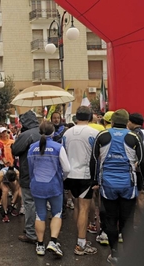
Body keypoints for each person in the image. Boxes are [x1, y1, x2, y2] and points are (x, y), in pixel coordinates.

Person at [90, 109, 144, 265]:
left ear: (112, 122)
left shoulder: (102, 135)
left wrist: (94, 181)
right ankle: (129, 255)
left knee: (111, 220)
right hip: (128, 184)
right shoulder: (133, 137)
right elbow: (142, 161)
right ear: (127, 122)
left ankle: (114, 254)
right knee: (127, 221)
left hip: (108, 185)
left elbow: (94, 160)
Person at [28, 121, 70, 257]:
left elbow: (30, 168)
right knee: (56, 213)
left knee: (40, 214)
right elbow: (67, 169)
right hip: (54, 185)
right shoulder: (58, 147)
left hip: (36, 185)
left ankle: (40, 245)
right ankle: (52, 241)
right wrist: (62, 178)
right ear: (53, 132)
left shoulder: (32, 148)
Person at [63, 106, 99, 256]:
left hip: (70, 174)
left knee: (77, 206)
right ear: (90, 117)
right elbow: (98, 156)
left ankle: (80, 238)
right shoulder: (94, 133)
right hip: (85, 174)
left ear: (76, 117)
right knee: (84, 208)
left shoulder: (67, 133)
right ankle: (81, 244)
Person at [12, 110, 41, 244]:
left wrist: (18, 138)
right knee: (40, 203)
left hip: (28, 173)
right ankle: (39, 229)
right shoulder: (44, 132)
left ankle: (31, 232)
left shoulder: (26, 135)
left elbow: (15, 150)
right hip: (45, 174)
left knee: (29, 203)